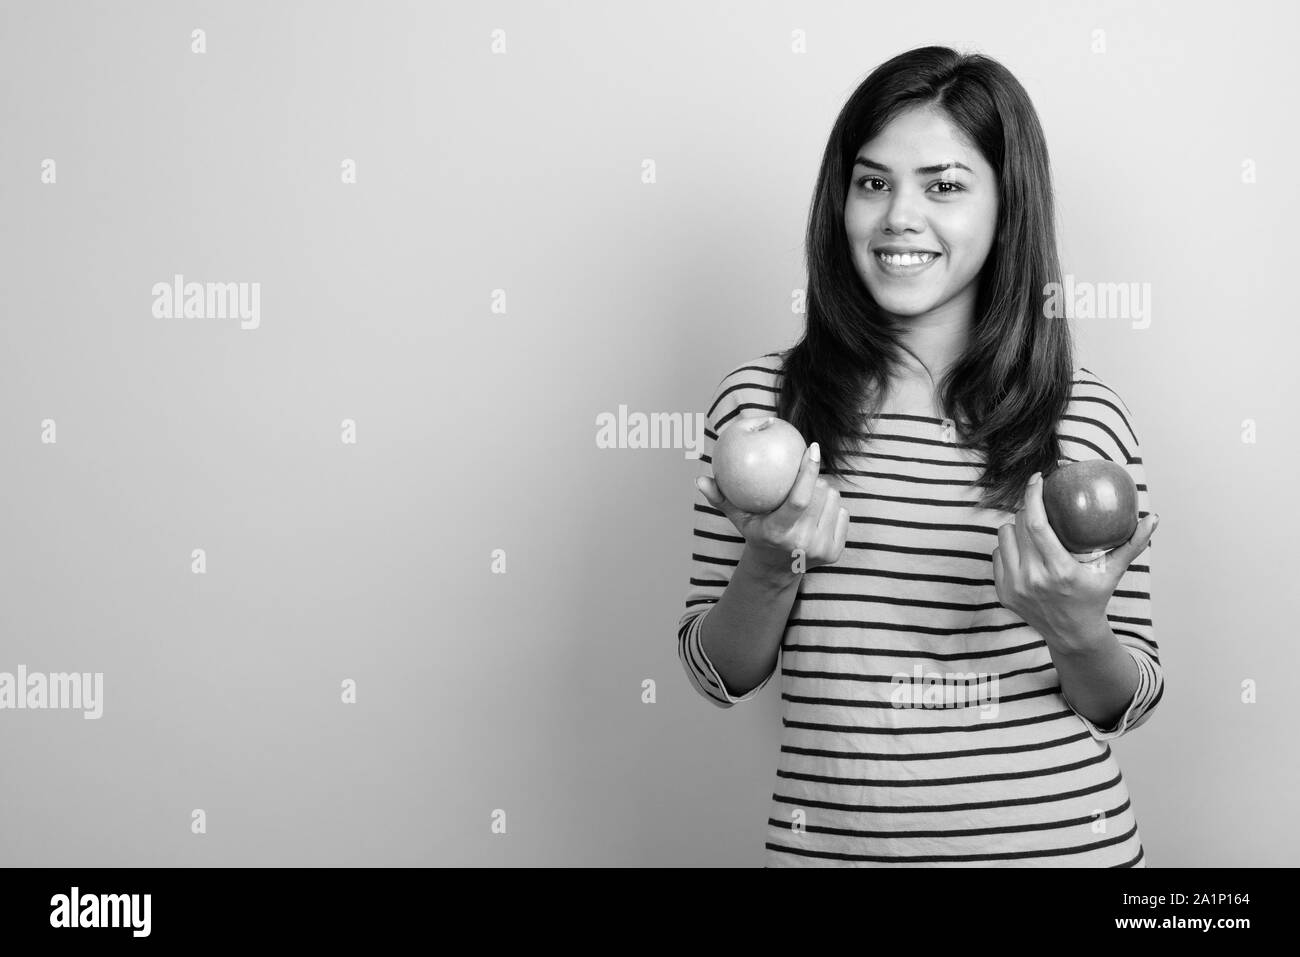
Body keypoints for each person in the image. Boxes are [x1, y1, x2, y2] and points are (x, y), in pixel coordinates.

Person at [677, 46, 1162, 867]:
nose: (899, 215)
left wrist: (1076, 628)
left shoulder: (1081, 418)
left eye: (944, 185)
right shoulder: (763, 410)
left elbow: (1127, 702)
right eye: (873, 183)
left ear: (1008, 207)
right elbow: (716, 674)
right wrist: (767, 563)